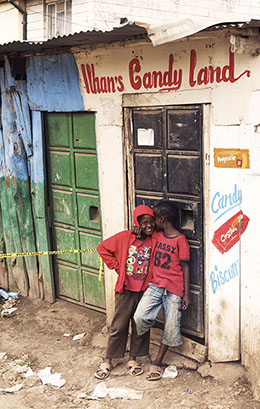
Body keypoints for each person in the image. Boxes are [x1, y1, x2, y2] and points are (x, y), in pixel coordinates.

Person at [94, 205, 155, 379]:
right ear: (138, 223)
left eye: (151, 222)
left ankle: (132, 358)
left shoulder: (155, 239)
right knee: (118, 326)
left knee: (140, 325)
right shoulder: (125, 237)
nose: (148, 226)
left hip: (144, 290)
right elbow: (102, 248)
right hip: (126, 290)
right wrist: (118, 267)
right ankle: (108, 360)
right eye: (144, 223)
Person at [134, 200, 191, 381]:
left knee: (171, 326)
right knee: (140, 316)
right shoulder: (157, 235)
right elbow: (143, 230)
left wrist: (187, 294)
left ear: (162, 219)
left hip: (174, 290)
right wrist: (137, 228)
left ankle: (157, 362)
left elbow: (185, 267)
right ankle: (164, 327)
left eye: (155, 218)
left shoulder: (180, 239)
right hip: (155, 286)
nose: (152, 222)